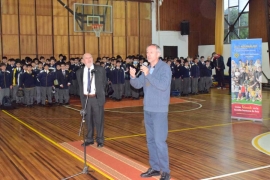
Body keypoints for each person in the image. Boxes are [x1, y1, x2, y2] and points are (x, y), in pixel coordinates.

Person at [130, 44, 171, 180]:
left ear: (158, 54)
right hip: (147, 109)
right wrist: (133, 77)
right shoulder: (146, 69)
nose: (148, 55)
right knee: (151, 141)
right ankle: (155, 168)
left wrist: (148, 74)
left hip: (159, 110)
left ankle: (165, 171)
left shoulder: (164, 68)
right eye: (147, 52)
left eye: (151, 52)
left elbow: (163, 86)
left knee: (160, 141)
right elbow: (138, 85)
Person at [76, 53, 107, 148]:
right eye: (86, 58)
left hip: (96, 98)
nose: (89, 59)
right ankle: (89, 139)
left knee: (99, 120)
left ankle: (100, 140)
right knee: (88, 119)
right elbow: (80, 86)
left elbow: (104, 83)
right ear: (82, 61)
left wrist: (100, 95)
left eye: (90, 58)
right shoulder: (79, 72)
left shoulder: (100, 69)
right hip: (86, 99)